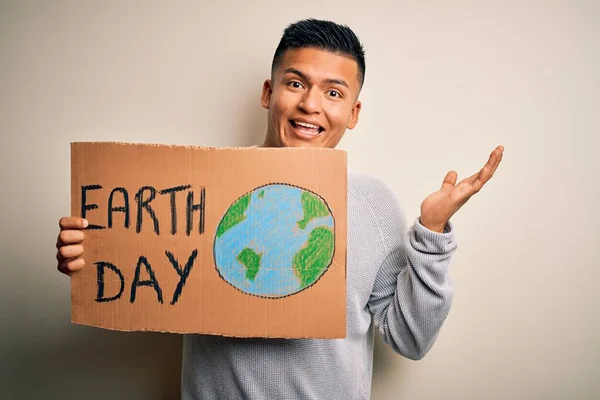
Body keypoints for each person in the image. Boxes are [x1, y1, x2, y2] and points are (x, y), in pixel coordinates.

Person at [56, 19, 503, 400]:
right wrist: (98, 252)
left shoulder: (372, 203)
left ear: (354, 112)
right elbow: (153, 272)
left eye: (333, 93)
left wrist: (432, 231)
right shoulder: (203, 188)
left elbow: (411, 339)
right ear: (269, 92)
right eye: (296, 83)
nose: (311, 104)